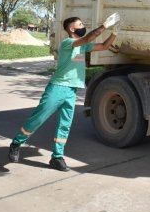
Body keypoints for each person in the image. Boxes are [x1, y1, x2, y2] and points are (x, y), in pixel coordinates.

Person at [8, 13, 121, 171]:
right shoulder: (68, 43)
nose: (83, 27)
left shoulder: (82, 45)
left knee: (65, 125)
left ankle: (57, 157)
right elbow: (88, 38)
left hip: (71, 90)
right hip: (57, 88)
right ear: (72, 28)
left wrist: (114, 33)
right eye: (80, 25)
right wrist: (105, 25)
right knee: (38, 118)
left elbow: (104, 47)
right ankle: (16, 143)